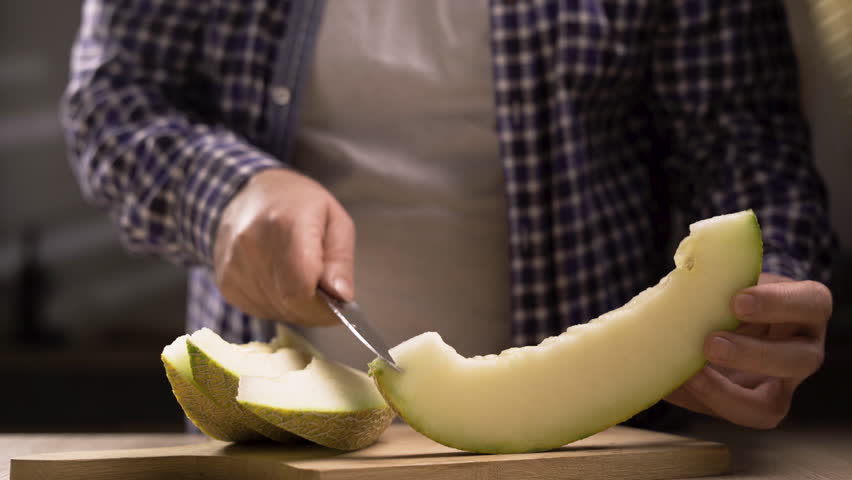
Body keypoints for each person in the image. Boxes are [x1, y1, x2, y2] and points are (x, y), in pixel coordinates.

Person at [63, 0, 834, 430]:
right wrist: (230, 193)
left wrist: (765, 294)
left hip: (601, 448)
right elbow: (115, 100)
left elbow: (741, 133)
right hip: (279, 437)